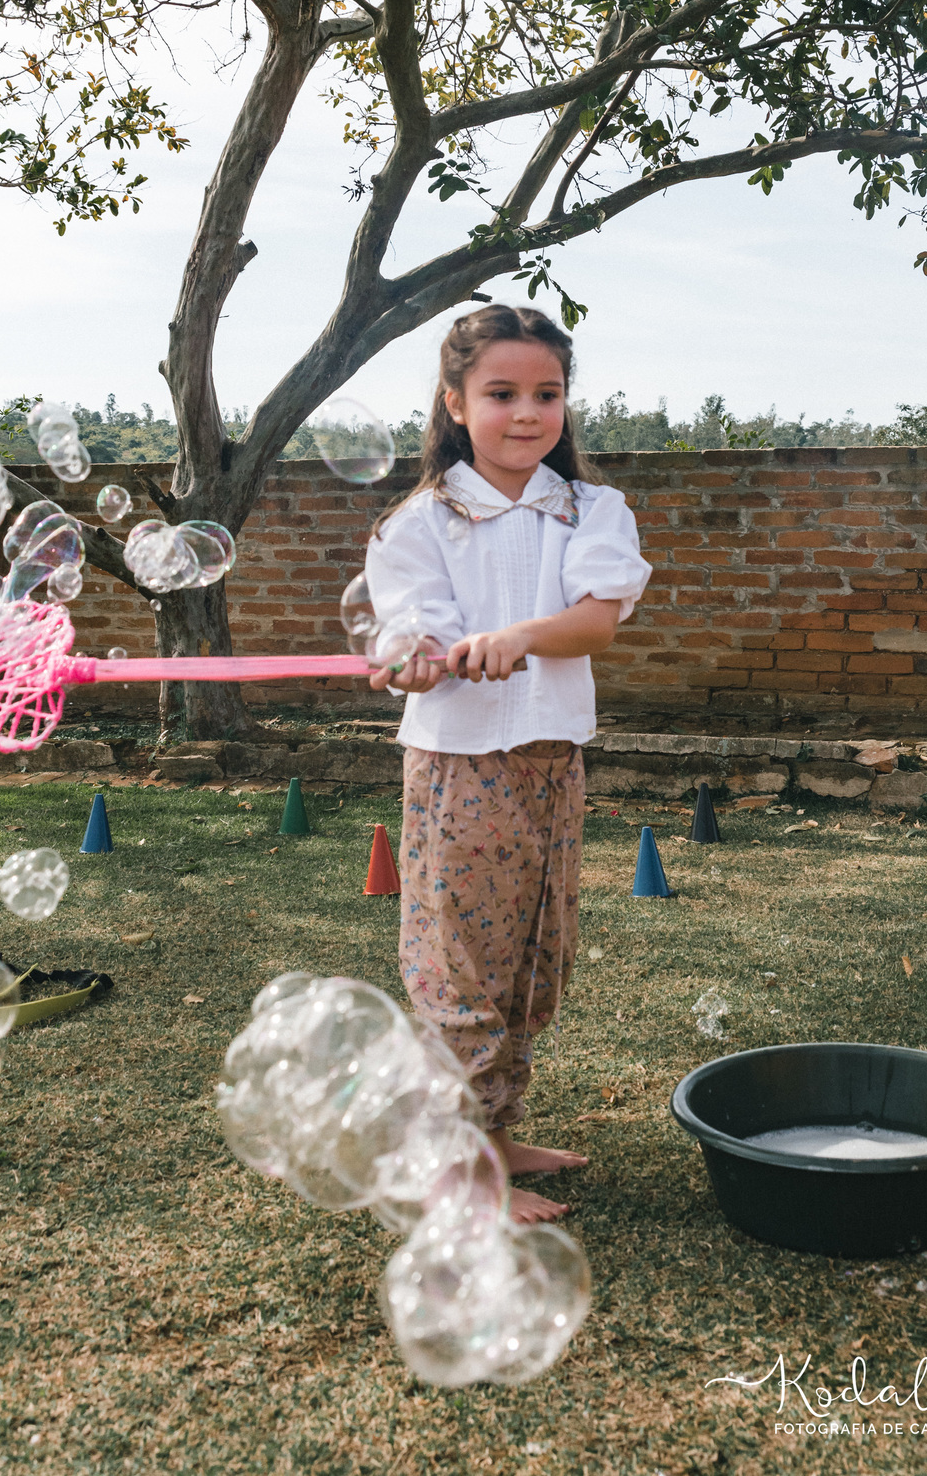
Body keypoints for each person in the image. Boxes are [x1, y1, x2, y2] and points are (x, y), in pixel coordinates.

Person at [365, 304, 651, 1224]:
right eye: (501, 393)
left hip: (552, 760)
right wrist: (418, 657)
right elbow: (414, 632)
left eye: (546, 393)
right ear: (455, 402)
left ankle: (492, 1133)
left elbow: (595, 620)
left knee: (534, 959)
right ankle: (455, 1169)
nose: (527, 413)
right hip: (460, 767)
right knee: (462, 967)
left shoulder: (592, 509)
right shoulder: (417, 523)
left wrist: (519, 637)